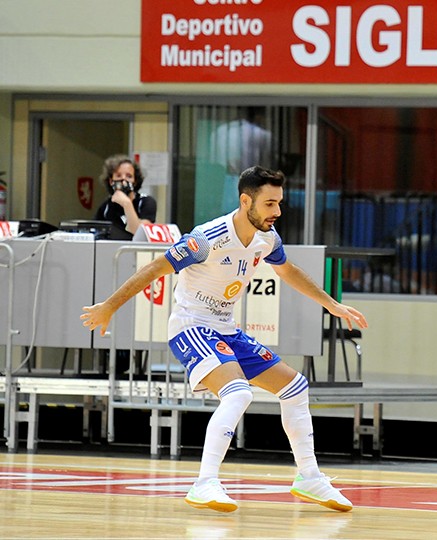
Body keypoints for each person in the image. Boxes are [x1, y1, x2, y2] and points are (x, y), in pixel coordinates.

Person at [81, 166, 367, 513]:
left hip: (227, 329)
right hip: (191, 327)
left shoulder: (267, 237)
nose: (277, 212)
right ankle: (205, 483)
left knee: (295, 388)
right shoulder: (207, 238)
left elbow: (287, 270)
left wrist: (331, 304)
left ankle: (309, 478)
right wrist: (110, 306)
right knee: (239, 393)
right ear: (246, 200)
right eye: (270, 204)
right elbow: (155, 267)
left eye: (279, 203)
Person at [95, 154, 157, 240]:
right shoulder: (105, 207)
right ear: (111, 181)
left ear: (135, 181)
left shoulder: (146, 202)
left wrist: (127, 204)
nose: (124, 180)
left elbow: (140, 234)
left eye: (129, 176)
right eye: (118, 175)